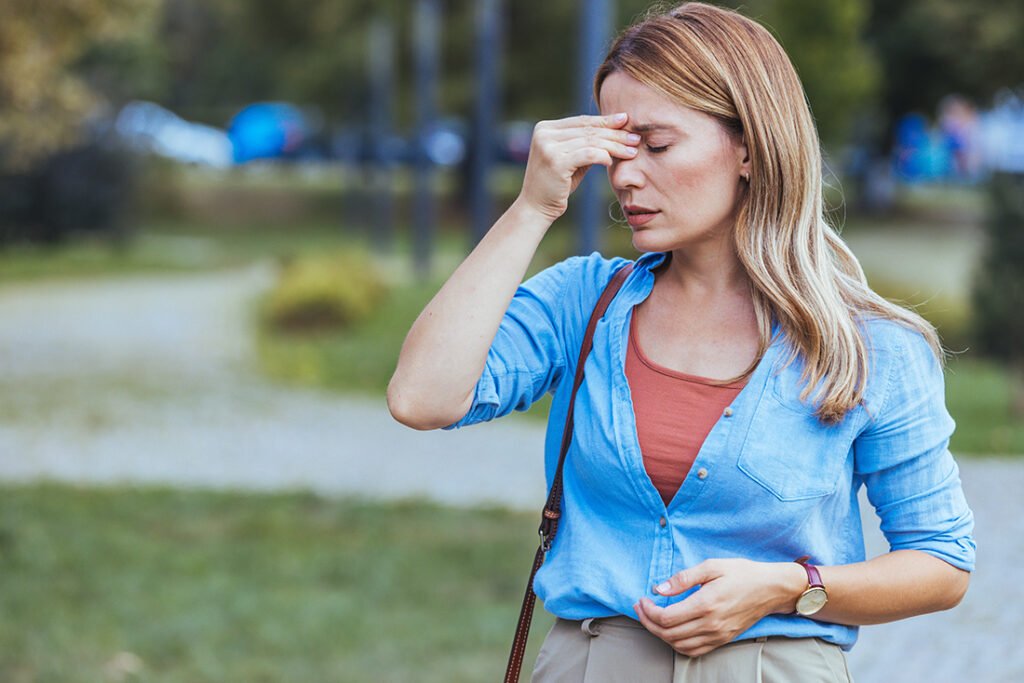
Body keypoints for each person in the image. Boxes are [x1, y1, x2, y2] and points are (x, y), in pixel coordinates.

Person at [387, 3, 975, 681]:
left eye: (657, 145)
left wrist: (790, 586)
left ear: (749, 147)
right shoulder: (584, 301)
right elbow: (421, 397)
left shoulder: (871, 346)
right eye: (617, 150)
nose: (625, 176)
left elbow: (942, 562)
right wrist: (532, 209)